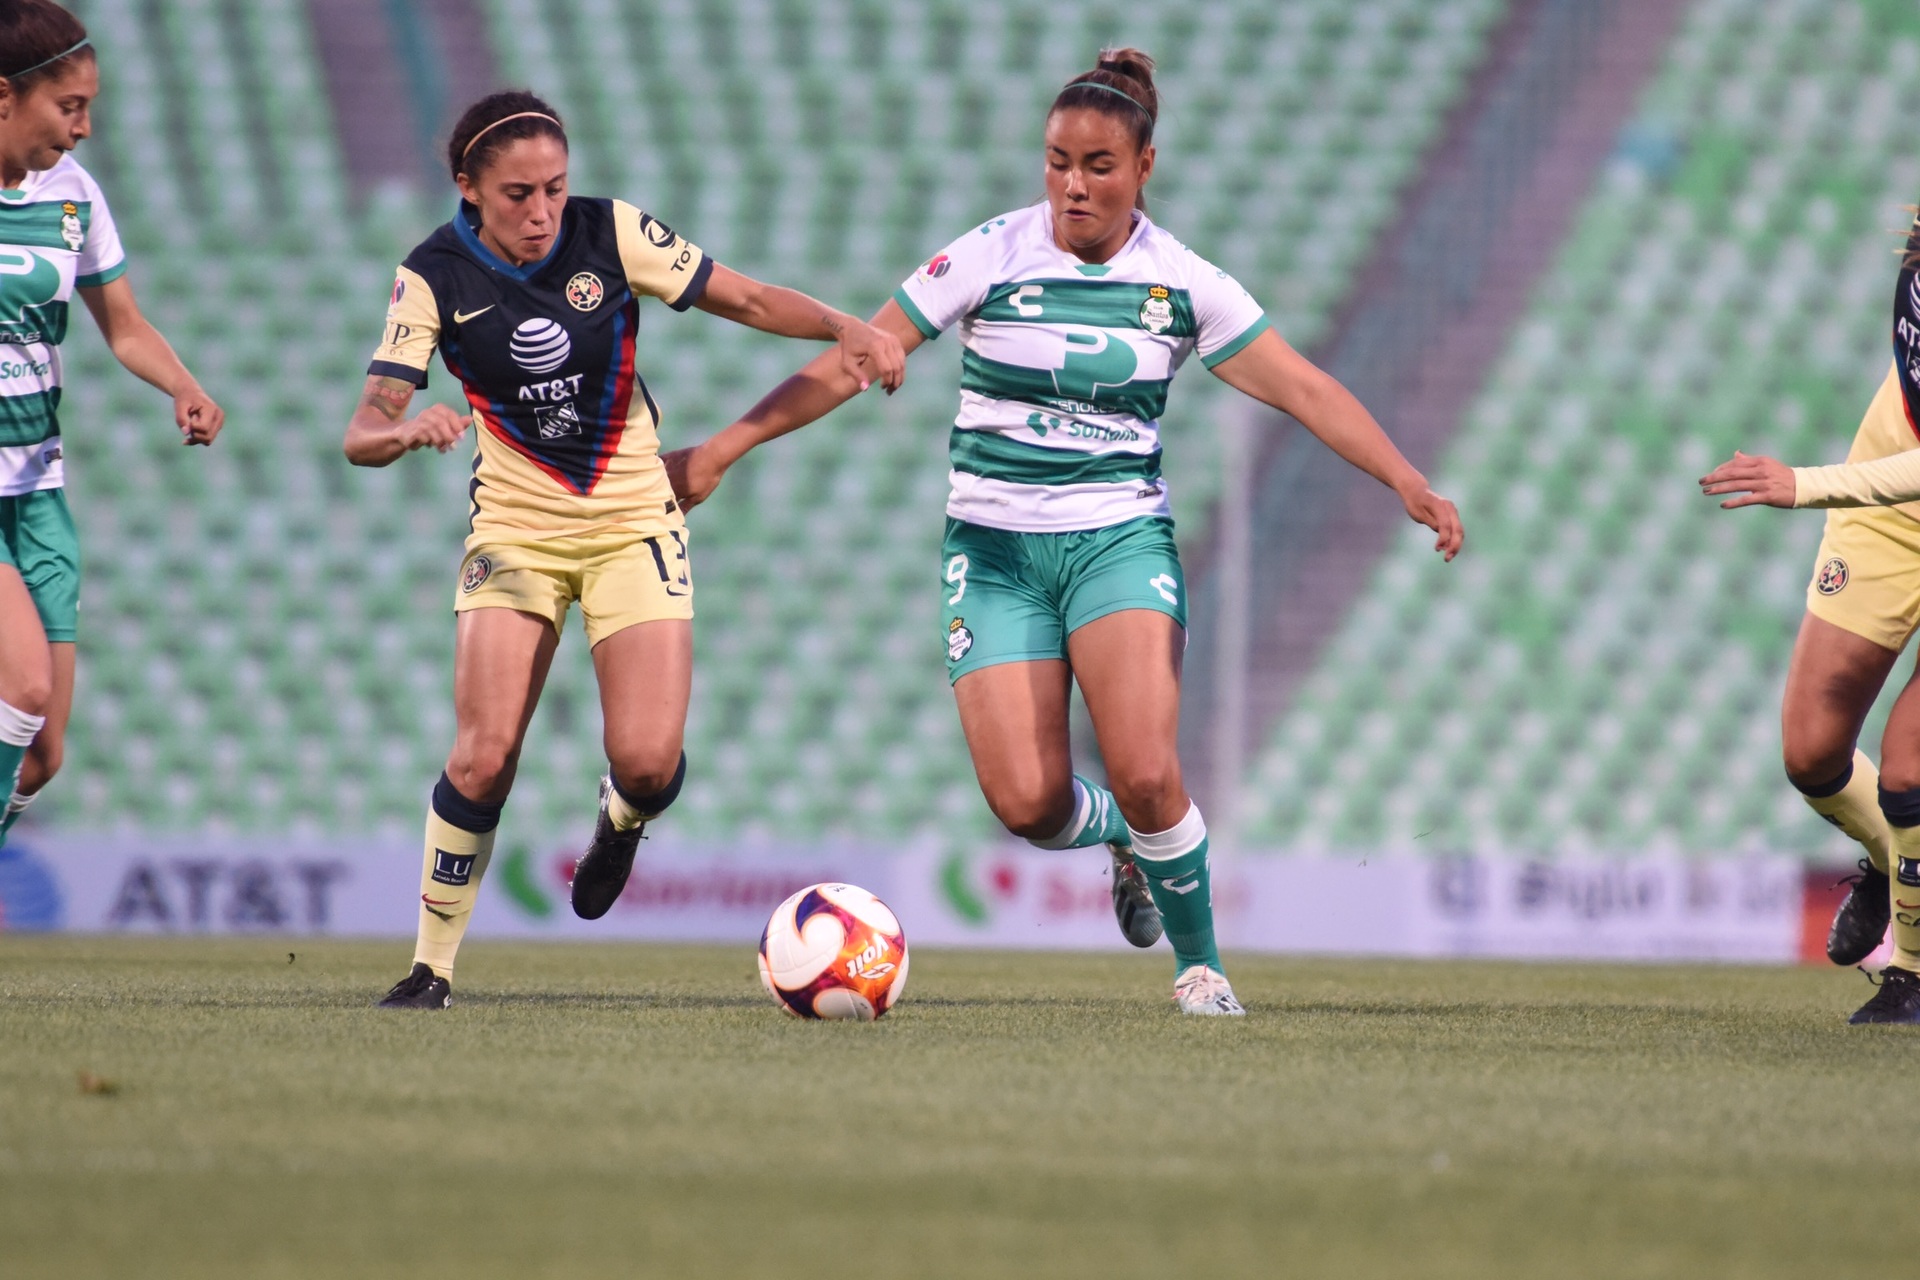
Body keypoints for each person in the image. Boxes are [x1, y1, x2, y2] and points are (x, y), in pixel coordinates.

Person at [666, 50, 1463, 1015]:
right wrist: (723, 450)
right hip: (994, 555)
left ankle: (1201, 969)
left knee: (1143, 766)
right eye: (1056, 162)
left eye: (1097, 166)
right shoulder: (990, 254)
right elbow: (855, 358)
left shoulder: (1183, 282)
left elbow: (1302, 386)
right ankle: (1119, 840)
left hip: (1117, 544)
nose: (1073, 186)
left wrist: (1406, 479)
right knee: (1027, 804)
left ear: (1144, 170)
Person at [347, 90, 903, 1010]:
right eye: (518, 193)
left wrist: (844, 323)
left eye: (554, 190)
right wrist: (401, 433)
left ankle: (620, 818)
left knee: (648, 762)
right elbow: (363, 426)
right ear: (468, 190)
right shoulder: (432, 275)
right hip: (516, 532)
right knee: (483, 755)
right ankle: (430, 966)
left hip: (635, 521)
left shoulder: (611, 234)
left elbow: (751, 296)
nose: (540, 212)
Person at [0, 1, 224, 850]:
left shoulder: (72, 196)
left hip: (38, 492)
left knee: (42, 755)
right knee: (19, 688)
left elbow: (122, 325)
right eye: (70, 107)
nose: (86, 128)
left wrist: (184, 385)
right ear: (4, 98)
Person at [1701, 213, 1920, 1025]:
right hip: (1893, 492)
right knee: (1812, 748)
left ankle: (1913, 980)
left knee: (1909, 761)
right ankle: (1894, 859)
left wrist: (1806, 483)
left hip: (1877, 481)